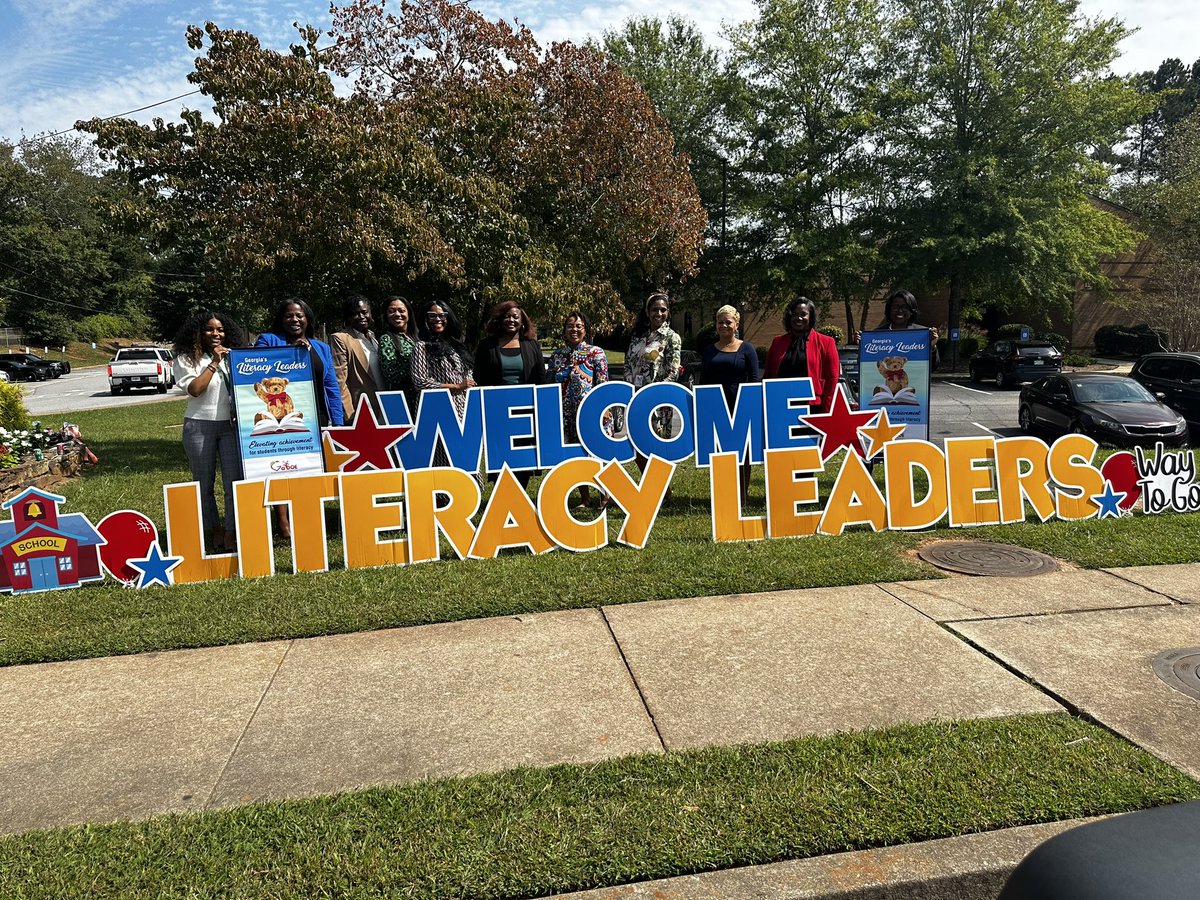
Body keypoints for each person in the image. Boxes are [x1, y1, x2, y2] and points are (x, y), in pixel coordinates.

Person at [172, 312, 247, 552]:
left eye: (221, 330)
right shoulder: (186, 359)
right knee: (203, 484)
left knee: (233, 483)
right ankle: (214, 528)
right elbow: (195, 389)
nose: (216, 334)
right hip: (199, 426)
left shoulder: (233, 356)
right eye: (210, 329)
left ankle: (230, 531)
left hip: (231, 426)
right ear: (198, 332)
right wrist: (213, 362)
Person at [547, 311, 609, 507]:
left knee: (597, 453)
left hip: (590, 411)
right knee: (575, 454)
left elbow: (603, 383)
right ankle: (584, 497)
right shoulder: (557, 355)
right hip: (565, 413)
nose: (574, 329)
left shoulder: (595, 353)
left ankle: (605, 494)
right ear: (564, 330)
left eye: (578, 326)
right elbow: (549, 381)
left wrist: (604, 409)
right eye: (570, 326)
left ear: (585, 330)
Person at [700, 305, 760, 504]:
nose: (724, 325)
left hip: (741, 407)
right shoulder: (709, 350)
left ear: (736, 325)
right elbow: (704, 381)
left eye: (728, 322)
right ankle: (725, 495)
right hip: (717, 408)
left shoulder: (747, 348)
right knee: (720, 453)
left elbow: (754, 380)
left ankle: (743, 495)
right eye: (720, 322)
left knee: (743, 454)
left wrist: (752, 407)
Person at [254, 298, 344, 428]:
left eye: (299, 316)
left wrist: (338, 422)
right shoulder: (267, 341)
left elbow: (331, 387)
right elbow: (259, 371)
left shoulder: (322, 348)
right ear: (281, 320)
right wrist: (290, 352)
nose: (295, 319)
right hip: (281, 419)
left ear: (307, 320)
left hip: (318, 418)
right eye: (289, 316)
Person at [624, 290, 682, 484]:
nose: (659, 314)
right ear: (647, 312)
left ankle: (660, 489)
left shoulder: (671, 338)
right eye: (655, 310)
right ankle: (658, 488)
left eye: (663, 310)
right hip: (634, 398)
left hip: (657, 401)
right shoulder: (637, 337)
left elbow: (673, 372)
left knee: (655, 447)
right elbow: (627, 365)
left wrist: (655, 394)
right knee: (635, 444)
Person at [410, 299, 475, 467]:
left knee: (465, 450)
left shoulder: (456, 344)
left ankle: (471, 490)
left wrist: (468, 382)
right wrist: (457, 386)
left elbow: (466, 371)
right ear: (425, 319)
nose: (437, 319)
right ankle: (444, 492)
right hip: (436, 407)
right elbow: (420, 382)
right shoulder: (421, 347)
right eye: (432, 315)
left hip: (461, 405)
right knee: (441, 452)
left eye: (442, 315)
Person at [764, 296, 841, 413]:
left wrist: (826, 413)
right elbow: (768, 376)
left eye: (803, 314)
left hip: (813, 408)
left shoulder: (826, 342)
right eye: (794, 314)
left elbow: (832, 380)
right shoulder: (777, 342)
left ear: (811, 317)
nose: (798, 318)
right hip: (780, 406)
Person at [855, 289, 940, 370]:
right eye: (896, 307)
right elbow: (864, 368)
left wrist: (932, 347)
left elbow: (932, 368)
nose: (900, 311)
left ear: (911, 311)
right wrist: (862, 349)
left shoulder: (922, 335)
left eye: (904, 307)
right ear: (889, 310)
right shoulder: (876, 335)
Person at [330, 293, 383, 422]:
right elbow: (340, 380)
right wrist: (349, 415)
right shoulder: (340, 338)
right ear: (348, 317)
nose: (361, 317)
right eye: (355, 313)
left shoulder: (375, 338)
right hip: (362, 410)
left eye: (364, 312)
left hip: (385, 406)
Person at [472, 300, 547, 388]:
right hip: (495, 398)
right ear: (500, 320)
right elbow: (479, 377)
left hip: (527, 399)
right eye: (506, 317)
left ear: (522, 321)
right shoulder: (486, 345)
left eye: (515, 317)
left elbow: (541, 377)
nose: (511, 320)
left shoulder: (533, 345)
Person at [377, 295, 417, 416]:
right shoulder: (386, 339)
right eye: (391, 311)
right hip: (403, 399)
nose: (397, 314)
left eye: (401, 310)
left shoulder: (418, 337)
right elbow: (391, 374)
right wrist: (420, 375)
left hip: (423, 397)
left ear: (409, 313)